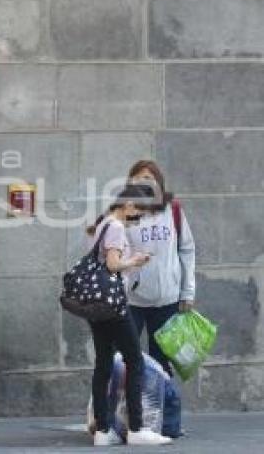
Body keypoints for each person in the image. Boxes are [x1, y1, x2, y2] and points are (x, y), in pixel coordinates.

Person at [85, 184, 172, 446]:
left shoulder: (102, 224)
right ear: (129, 205)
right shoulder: (116, 226)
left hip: (96, 305)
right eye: (139, 211)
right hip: (113, 306)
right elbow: (112, 264)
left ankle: (102, 431)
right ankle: (136, 428)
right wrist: (134, 261)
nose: (139, 217)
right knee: (134, 360)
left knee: (103, 364)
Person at [126, 160, 196, 377]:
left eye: (149, 178)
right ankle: (131, 408)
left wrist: (187, 291)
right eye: (138, 179)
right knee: (126, 360)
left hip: (167, 300)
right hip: (131, 300)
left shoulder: (173, 210)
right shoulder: (124, 211)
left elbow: (186, 249)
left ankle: (161, 409)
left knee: (161, 365)